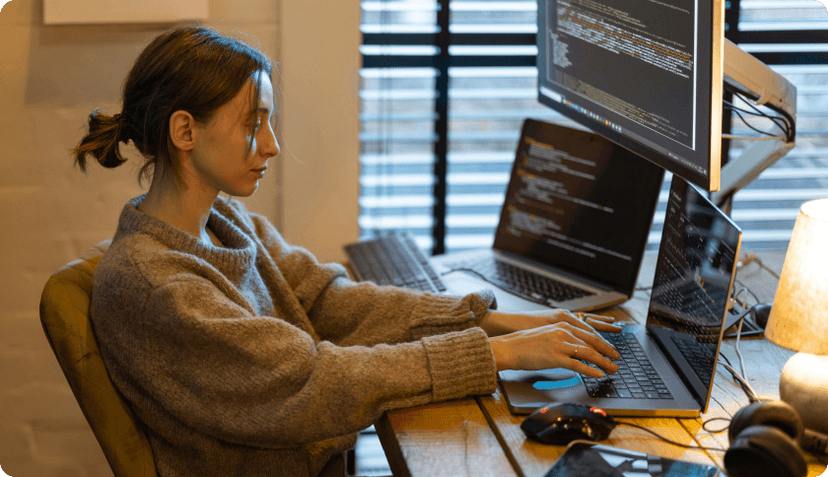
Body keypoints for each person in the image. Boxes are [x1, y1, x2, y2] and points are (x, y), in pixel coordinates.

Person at [74, 26, 621, 477]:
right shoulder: (157, 287)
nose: (272, 145)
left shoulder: (224, 221)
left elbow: (326, 300)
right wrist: (496, 354)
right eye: (253, 123)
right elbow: (310, 381)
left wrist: (495, 322)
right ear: (185, 131)